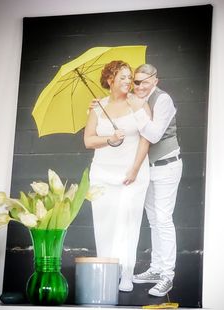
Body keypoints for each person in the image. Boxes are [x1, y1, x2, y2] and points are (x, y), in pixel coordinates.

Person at [84, 60, 151, 292]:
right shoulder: (97, 107)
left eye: (129, 77)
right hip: (102, 173)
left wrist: (134, 169)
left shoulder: (139, 103)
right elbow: (88, 140)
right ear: (110, 80)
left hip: (131, 173)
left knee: (128, 221)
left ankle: (126, 273)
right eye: (122, 77)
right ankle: (107, 271)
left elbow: (146, 138)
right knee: (104, 224)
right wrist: (109, 140)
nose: (127, 81)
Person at [128, 64, 183, 297]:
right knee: (153, 220)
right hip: (148, 170)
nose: (139, 86)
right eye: (136, 82)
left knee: (163, 219)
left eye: (144, 82)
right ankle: (156, 268)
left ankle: (167, 275)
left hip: (166, 166)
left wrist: (137, 109)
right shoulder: (134, 98)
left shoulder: (163, 100)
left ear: (155, 81)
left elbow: (153, 135)